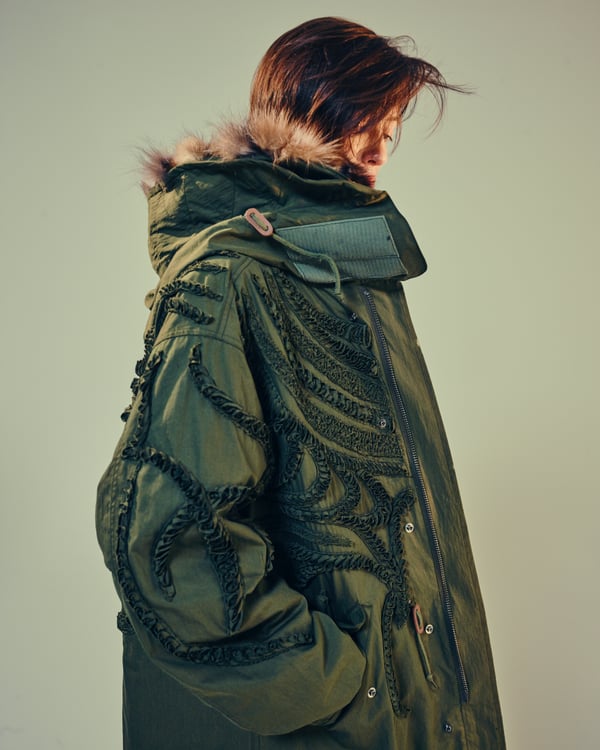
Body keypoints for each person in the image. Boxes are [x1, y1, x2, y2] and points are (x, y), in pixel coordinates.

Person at [96, 16, 505, 750]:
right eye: (364, 122)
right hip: (330, 727)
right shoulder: (231, 276)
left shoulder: (344, 272)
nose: (380, 149)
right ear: (301, 116)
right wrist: (334, 685)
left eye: (391, 127)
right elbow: (165, 537)